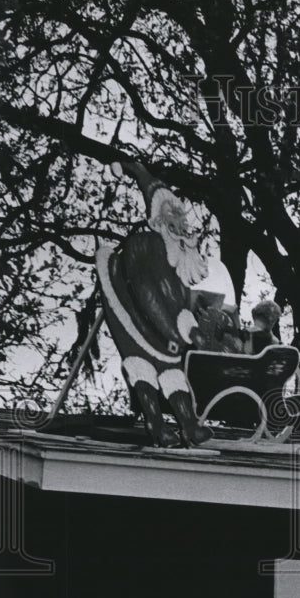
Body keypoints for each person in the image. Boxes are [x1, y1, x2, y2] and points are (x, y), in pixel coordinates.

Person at [95, 161, 213, 447]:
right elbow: (147, 294)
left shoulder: (181, 267)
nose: (182, 225)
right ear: (159, 221)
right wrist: (180, 332)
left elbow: (180, 303)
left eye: (181, 217)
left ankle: (188, 424)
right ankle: (156, 424)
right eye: (172, 217)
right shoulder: (144, 246)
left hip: (169, 337)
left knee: (173, 375)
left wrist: (191, 329)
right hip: (136, 322)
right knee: (142, 369)